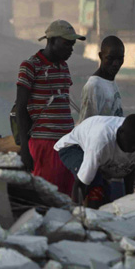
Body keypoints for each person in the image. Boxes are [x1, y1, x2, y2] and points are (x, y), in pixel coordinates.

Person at [15, 20, 86, 194]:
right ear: (51, 41)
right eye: (66, 43)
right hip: (44, 144)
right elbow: (20, 108)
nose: (70, 48)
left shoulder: (63, 66)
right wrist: (25, 148)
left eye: (72, 44)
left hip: (67, 142)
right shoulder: (30, 66)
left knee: (68, 196)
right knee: (47, 196)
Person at [53, 114, 135, 206]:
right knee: (95, 190)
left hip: (99, 151)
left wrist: (130, 199)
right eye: (130, 143)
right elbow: (81, 183)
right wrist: (75, 213)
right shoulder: (101, 141)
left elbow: (130, 169)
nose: (133, 148)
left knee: (104, 194)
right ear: (120, 132)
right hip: (74, 146)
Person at [79, 36, 125, 121]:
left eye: (120, 58)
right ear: (101, 56)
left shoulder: (110, 82)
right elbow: (87, 125)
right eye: (110, 58)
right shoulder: (94, 86)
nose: (116, 63)